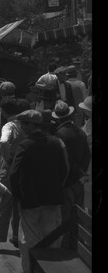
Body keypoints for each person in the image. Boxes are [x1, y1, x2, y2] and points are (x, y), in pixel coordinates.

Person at [10, 109, 68, 273]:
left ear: (30, 125)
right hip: (53, 198)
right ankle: (49, 272)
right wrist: (57, 187)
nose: (20, 127)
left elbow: (14, 174)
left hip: (30, 200)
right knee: (51, 235)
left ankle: (30, 272)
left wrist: (18, 195)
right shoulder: (57, 142)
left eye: (22, 124)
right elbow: (65, 169)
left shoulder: (25, 145)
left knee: (29, 237)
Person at [52, 100, 91, 249]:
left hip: (67, 182)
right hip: (79, 181)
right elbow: (87, 155)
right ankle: (76, 245)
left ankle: (67, 247)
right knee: (78, 215)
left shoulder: (59, 134)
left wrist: (76, 171)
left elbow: (66, 159)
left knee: (66, 216)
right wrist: (82, 172)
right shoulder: (80, 131)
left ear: (57, 118)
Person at [0, 97, 26, 250]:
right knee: (19, 204)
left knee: (2, 203)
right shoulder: (24, 125)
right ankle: (16, 236)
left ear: (4, 112)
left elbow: (4, 142)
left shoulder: (9, 126)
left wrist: (7, 158)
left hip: (9, 168)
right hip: (23, 169)